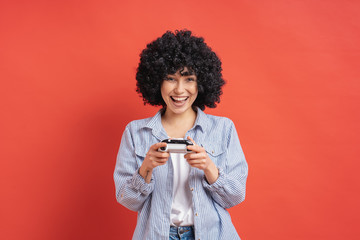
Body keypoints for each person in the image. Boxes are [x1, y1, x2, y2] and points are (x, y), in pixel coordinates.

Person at [113, 30, 248, 240]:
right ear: (157, 81)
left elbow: (235, 196)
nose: (179, 89)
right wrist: (146, 168)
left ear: (200, 83)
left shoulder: (223, 129)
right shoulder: (135, 132)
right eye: (170, 78)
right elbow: (128, 200)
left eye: (189, 79)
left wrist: (208, 167)